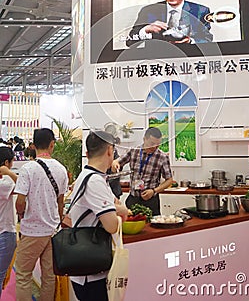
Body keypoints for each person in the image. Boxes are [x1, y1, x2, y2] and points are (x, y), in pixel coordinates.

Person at [70, 130, 129, 301]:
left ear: (87, 153)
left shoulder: (89, 176)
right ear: (110, 151)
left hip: (89, 267)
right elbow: (111, 225)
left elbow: (113, 203)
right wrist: (121, 210)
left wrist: (116, 207)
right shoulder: (94, 181)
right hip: (92, 272)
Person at [14, 128, 68, 301]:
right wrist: (57, 222)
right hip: (52, 231)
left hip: (32, 231)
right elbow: (61, 202)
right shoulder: (61, 169)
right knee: (49, 276)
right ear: (52, 144)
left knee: (23, 274)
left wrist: (21, 215)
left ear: (33, 145)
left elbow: (20, 202)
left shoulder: (27, 169)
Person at [126, 0, 213, 47]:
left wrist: (190, 41)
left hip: (187, 60)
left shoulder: (199, 11)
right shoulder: (149, 10)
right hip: (156, 59)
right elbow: (130, 41)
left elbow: (206, 39)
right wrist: (146, 29)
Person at [112, 127, 173, 216]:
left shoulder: (162, 157)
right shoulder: (133, 151)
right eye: (152, 143)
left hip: (151, 201)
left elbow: (169, 180)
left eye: (158, 145)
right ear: (144, 139)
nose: (154, 147)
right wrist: (115, 163)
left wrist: (154, 191)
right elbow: (117, 161)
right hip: (133, 199)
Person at [0, 146, 17, 298]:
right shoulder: (5, 182)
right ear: (6, 163)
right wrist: (9, 173)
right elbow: (25, 187)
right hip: (4, 232)